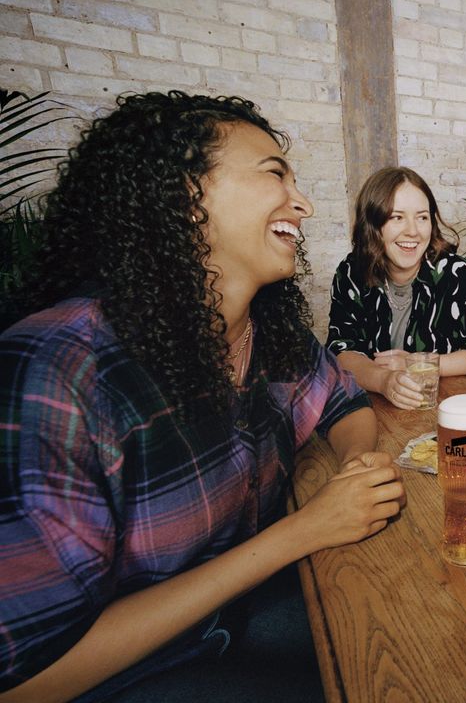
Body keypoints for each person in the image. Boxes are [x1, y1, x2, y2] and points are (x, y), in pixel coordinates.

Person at [0, 92, 407, 702]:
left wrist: (357, 466)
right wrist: (303, 530)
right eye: (274, 174)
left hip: (236, 617)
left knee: (407, 631)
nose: (303, 203)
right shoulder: (60, 368)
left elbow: (344, 403)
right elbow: (26, 678)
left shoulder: (268, 334)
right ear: (185, 197)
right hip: (130, 677)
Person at [326, 167, 466, 409]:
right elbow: (340, 350)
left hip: (449, 406)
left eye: (422, 217)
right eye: (397, 217)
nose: (413, 231)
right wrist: (384, 381)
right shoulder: (351, 272)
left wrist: (418, 364)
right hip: (374, 409)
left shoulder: (459, 275)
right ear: (372, 223)